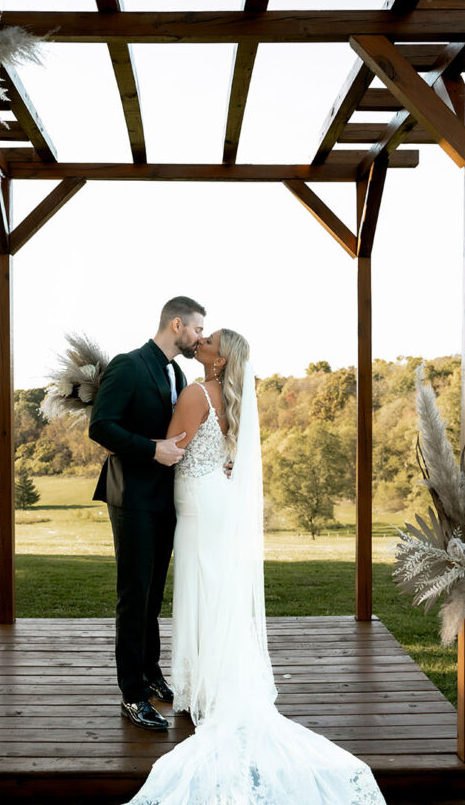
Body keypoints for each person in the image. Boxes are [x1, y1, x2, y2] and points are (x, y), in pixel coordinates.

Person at [125, 329, 387, 805]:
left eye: (210, 342)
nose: (200, 341)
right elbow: (224, 456)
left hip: (199, 505)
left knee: (202, 586)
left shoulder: (195, 392)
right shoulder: (230, 398)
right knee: (217, 588)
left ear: (221, 361)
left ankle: (205, 683)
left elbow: (169, 451)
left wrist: (127, 437)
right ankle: (212, 677)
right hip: (216, 500)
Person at [89, 295, 206, 732]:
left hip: (166, 500)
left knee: (154, 595)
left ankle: (151, 673)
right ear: (177, 325)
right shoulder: (128, 364)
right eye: (196, 329)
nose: (200, 337)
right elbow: (101, 426)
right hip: (132, 497)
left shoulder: (175, 371)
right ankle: (132, 694)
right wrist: (151, 448)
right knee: (134, 595)